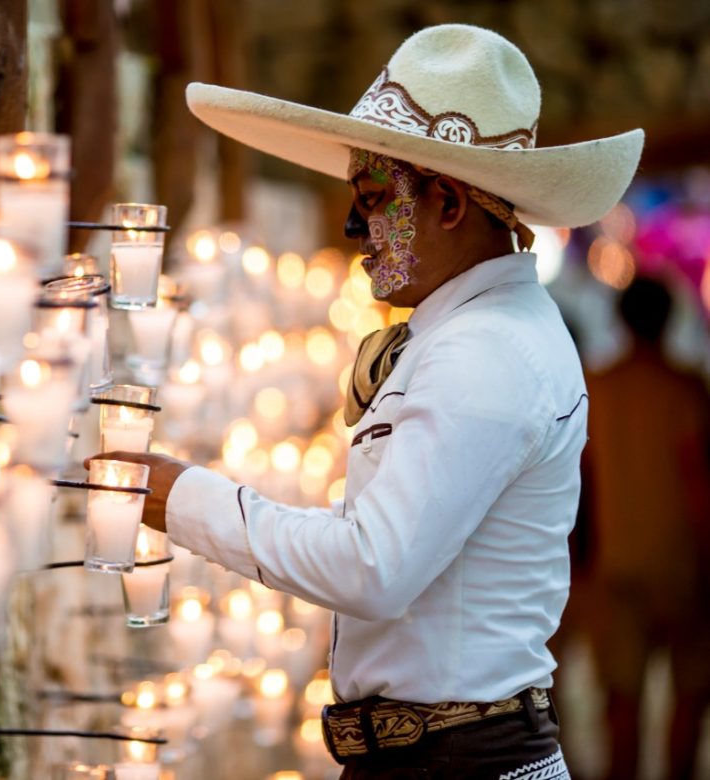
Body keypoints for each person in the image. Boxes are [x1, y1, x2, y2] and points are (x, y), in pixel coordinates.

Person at [91, 24, 643, 778]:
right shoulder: (469, 334)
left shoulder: (485, 349)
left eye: (375, 197)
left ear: (448, 203)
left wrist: (178, 496)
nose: (354, 227)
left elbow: (373, 566)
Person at [585, 277, 710, 780]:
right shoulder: (686, 389)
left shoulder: (597, 388)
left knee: (621, 707)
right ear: (670, 319)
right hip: (684, 571)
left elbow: (580, 488)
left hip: (614, 569)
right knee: (690, 699)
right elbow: (698, 484)